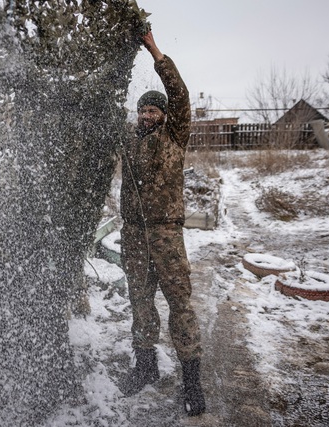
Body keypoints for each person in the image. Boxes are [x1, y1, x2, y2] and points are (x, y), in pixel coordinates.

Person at [118, 30, 206, 417]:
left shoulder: (175, 134)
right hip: (135, 236)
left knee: (179, 304)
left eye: (153, 110)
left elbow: (180, 92)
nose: (146, 115)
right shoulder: (129, 139)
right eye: (142, 110)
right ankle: (145, 367)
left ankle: (192, 382)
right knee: (140, 301)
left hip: (166, 235)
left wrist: (154, 50)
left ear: (164, 115)